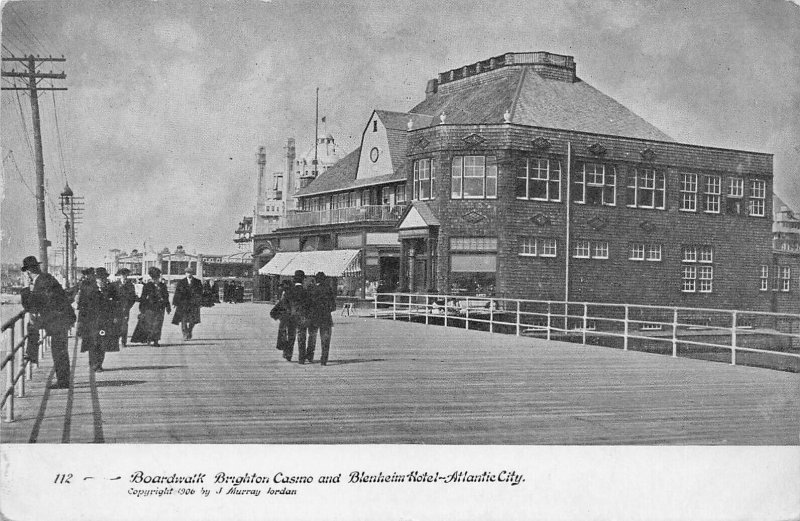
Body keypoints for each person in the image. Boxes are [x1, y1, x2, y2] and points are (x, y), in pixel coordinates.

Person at [19, 256, 75, 389]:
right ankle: (32, 354)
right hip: (60, 317)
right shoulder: (46, 278)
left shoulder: (41, 282)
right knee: (59, 349)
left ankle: (32, 354)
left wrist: (26, 288)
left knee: (58, 350)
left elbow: (29, 305)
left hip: (57, 319)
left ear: (28, 272)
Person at [87, 267, 121, 371]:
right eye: (99, 278)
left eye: (103, 278)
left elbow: (117, 304)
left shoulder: (111, 289)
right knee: (93, 343)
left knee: (102, 343)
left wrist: (115, 316)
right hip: (93, 321)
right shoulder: (90, 290)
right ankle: (93, 363)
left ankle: (99, 364)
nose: (102, 280)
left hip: (106, 321)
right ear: (96, 279)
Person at [131, 267, 171, 346]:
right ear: (152, 278)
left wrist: (167, 306)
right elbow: (143, 297)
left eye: (157, 277)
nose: (156, 279)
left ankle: (156, 340)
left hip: (160, 307)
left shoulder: (163, 285)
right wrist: (142, 309)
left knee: (158, 324)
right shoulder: (148, 286)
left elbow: (166, 296)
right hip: (150, 308)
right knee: (150, 324)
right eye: (155, 278)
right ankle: (149, 338)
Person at [279, 270, 310, 363]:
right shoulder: (305, 292)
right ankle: (301, 358)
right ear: (303, 280)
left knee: (291, 336)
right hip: (302, 317)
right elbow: (309, 305)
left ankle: (289, 355)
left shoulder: (289, 291)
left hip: (291, 317)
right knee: (302, 337)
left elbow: (284, 304)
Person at [306, 272, 337, 366]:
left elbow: (307, 304)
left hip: (313, 317)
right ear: (324, 280)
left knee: (312, 337)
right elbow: (333, 306)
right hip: (325, 317)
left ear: (316, 280)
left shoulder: (311, 289)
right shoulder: (329, 289)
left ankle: (310, 356)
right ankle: (324, 359)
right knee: (325, 339)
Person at [172, 267, 203, 340]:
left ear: (192, 273)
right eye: (187, 273)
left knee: (193, 320)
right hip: (183, 304)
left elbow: (200, 293)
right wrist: (175, 302)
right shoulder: (181, 282)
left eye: (190, 273)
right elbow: (177, 293)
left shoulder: (197, 282)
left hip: (193, 304)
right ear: (185, 273)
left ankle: (189, 330)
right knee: (184, 319)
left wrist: (200, 302)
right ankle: (185, 334)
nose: (188, 274)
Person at [115, 268, 138, 347]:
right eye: (122, 275)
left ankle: (123, 341)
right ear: (120, 275)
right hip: (116, 309)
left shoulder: (130, 285)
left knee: (124, 325)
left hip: (125, 308)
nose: (124, 276)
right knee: (117, 325)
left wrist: (128, 306)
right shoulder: (115, 285)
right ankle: (116, 341)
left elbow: (133, 298)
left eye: (126, 275)